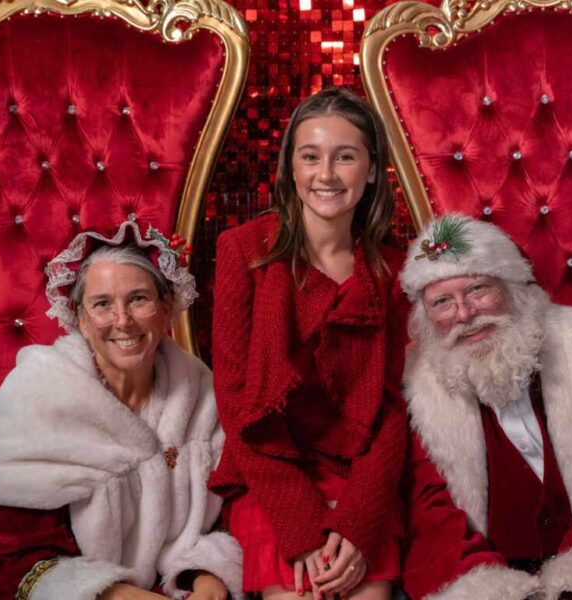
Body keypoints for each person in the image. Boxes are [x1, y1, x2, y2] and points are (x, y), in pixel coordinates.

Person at [397, 215, 572, 600]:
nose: (464, 314)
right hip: (489, 580)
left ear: (513, 287)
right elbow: (431, 516)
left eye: (477, 289)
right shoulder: (418, 391)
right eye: (442, 302)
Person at [0, 220, 242, 600]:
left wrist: (208, 575)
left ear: (166, 308)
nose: (122, 320)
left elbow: (231, 512)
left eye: (138, 299)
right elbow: (9, 559)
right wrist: (115, 595)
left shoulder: (202, 394)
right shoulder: (37, 396)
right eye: (102, 304)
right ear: (79, 317)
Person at [208, 88, 410, 600]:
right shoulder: (242, 251)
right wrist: (299, 526)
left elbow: (394, 409)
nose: (326, 175)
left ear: (372, 170)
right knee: (301, 591)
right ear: (291, 169)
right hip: (273, 472)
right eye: (311, 156)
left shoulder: (395, 268)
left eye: (345, 157)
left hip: (361, 475)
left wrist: (359, 522)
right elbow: (236, 403)